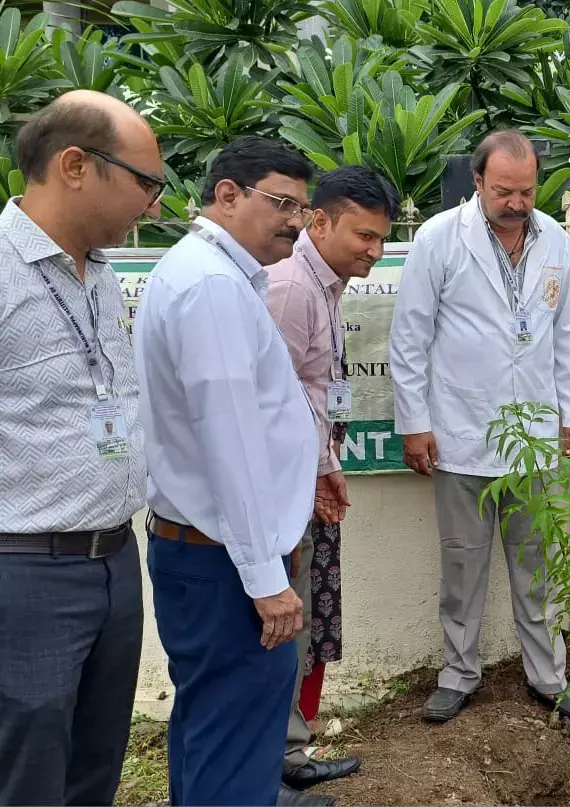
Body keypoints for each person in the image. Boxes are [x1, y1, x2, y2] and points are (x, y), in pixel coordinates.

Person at [135, 135, 331, 807]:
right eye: (281, 203)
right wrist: (266, 580)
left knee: (214, 733)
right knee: (236, 747)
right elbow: (231, 443)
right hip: (226, 565)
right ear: (226, 194)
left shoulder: (212, 274)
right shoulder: (213, 286)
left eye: (302, 209)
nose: (295, 222)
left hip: (210, 555)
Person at [389, 129, 570, 724]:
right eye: (504, 190)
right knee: (462, 563)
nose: (518, 203)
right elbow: (409, 338)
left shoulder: (554, 237)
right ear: (477, 183)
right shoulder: (439, 239)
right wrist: (416, 423)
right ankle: (458, 673)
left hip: (534, 433)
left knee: (539, 565)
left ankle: (548, 676)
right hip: (461, 430)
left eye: (526, 191)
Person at [0, 90, 163, 806]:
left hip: (112, 562)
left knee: (94, 765)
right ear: (75, 165)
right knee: (27, 773)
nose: (153, 205)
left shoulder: (97, 275)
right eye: (144, 183)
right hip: (25, 571)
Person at [266, 165, 399, 791]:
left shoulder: (328, 285)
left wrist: (328, 467)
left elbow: (316, 394)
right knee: (283, 627)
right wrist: (316, 472)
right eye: (362, 236)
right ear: (319, 221)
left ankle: (288, 752)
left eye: (380, 240)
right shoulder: (293, 288)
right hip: (287, 493)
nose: (372, 251)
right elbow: (279, 398)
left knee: (305, 625)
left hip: (311, 484)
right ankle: (276, 762)